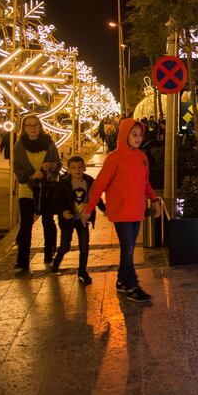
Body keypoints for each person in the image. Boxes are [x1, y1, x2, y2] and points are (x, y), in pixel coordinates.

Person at [83, 118, 161, 302]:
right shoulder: (114, 158)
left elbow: (145, 183)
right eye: (134, 134)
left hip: (136, 210)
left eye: (140, 135)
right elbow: (99, 185)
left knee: (129, 249)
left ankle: (121, 281)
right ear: (124, 135)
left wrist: (154, 199)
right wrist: (89, 208)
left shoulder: (142, 157)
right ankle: (132, 286)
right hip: (120, 211)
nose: (138, 138)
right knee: (128, 248)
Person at [12, 115, 60, 271]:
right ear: (24, 128)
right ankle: (22, 261)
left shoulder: (49, 143)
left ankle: (50, 253)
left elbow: (58, 164)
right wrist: (32, 176)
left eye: (35, 125)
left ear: (40, 126)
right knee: (26, 225)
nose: (33, 128)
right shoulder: (20, 145)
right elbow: (17, 168)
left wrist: (50, 166)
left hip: (47, 190)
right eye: (29, 125)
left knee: (48, 222)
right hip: (27, 190)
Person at [51, 156, 106, 285]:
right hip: (68, 220)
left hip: (82, 220)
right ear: (69, 170)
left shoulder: (88, 181)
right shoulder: (63, 183)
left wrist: (104, 209)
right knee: (65, 246)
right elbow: (55, 201)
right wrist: (62, 212)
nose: (77, 170)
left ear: (84, 167)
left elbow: (96, 196)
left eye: (80, 167)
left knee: (84, 246)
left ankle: (82, 272)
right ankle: (56, 263)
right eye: (74, 168)